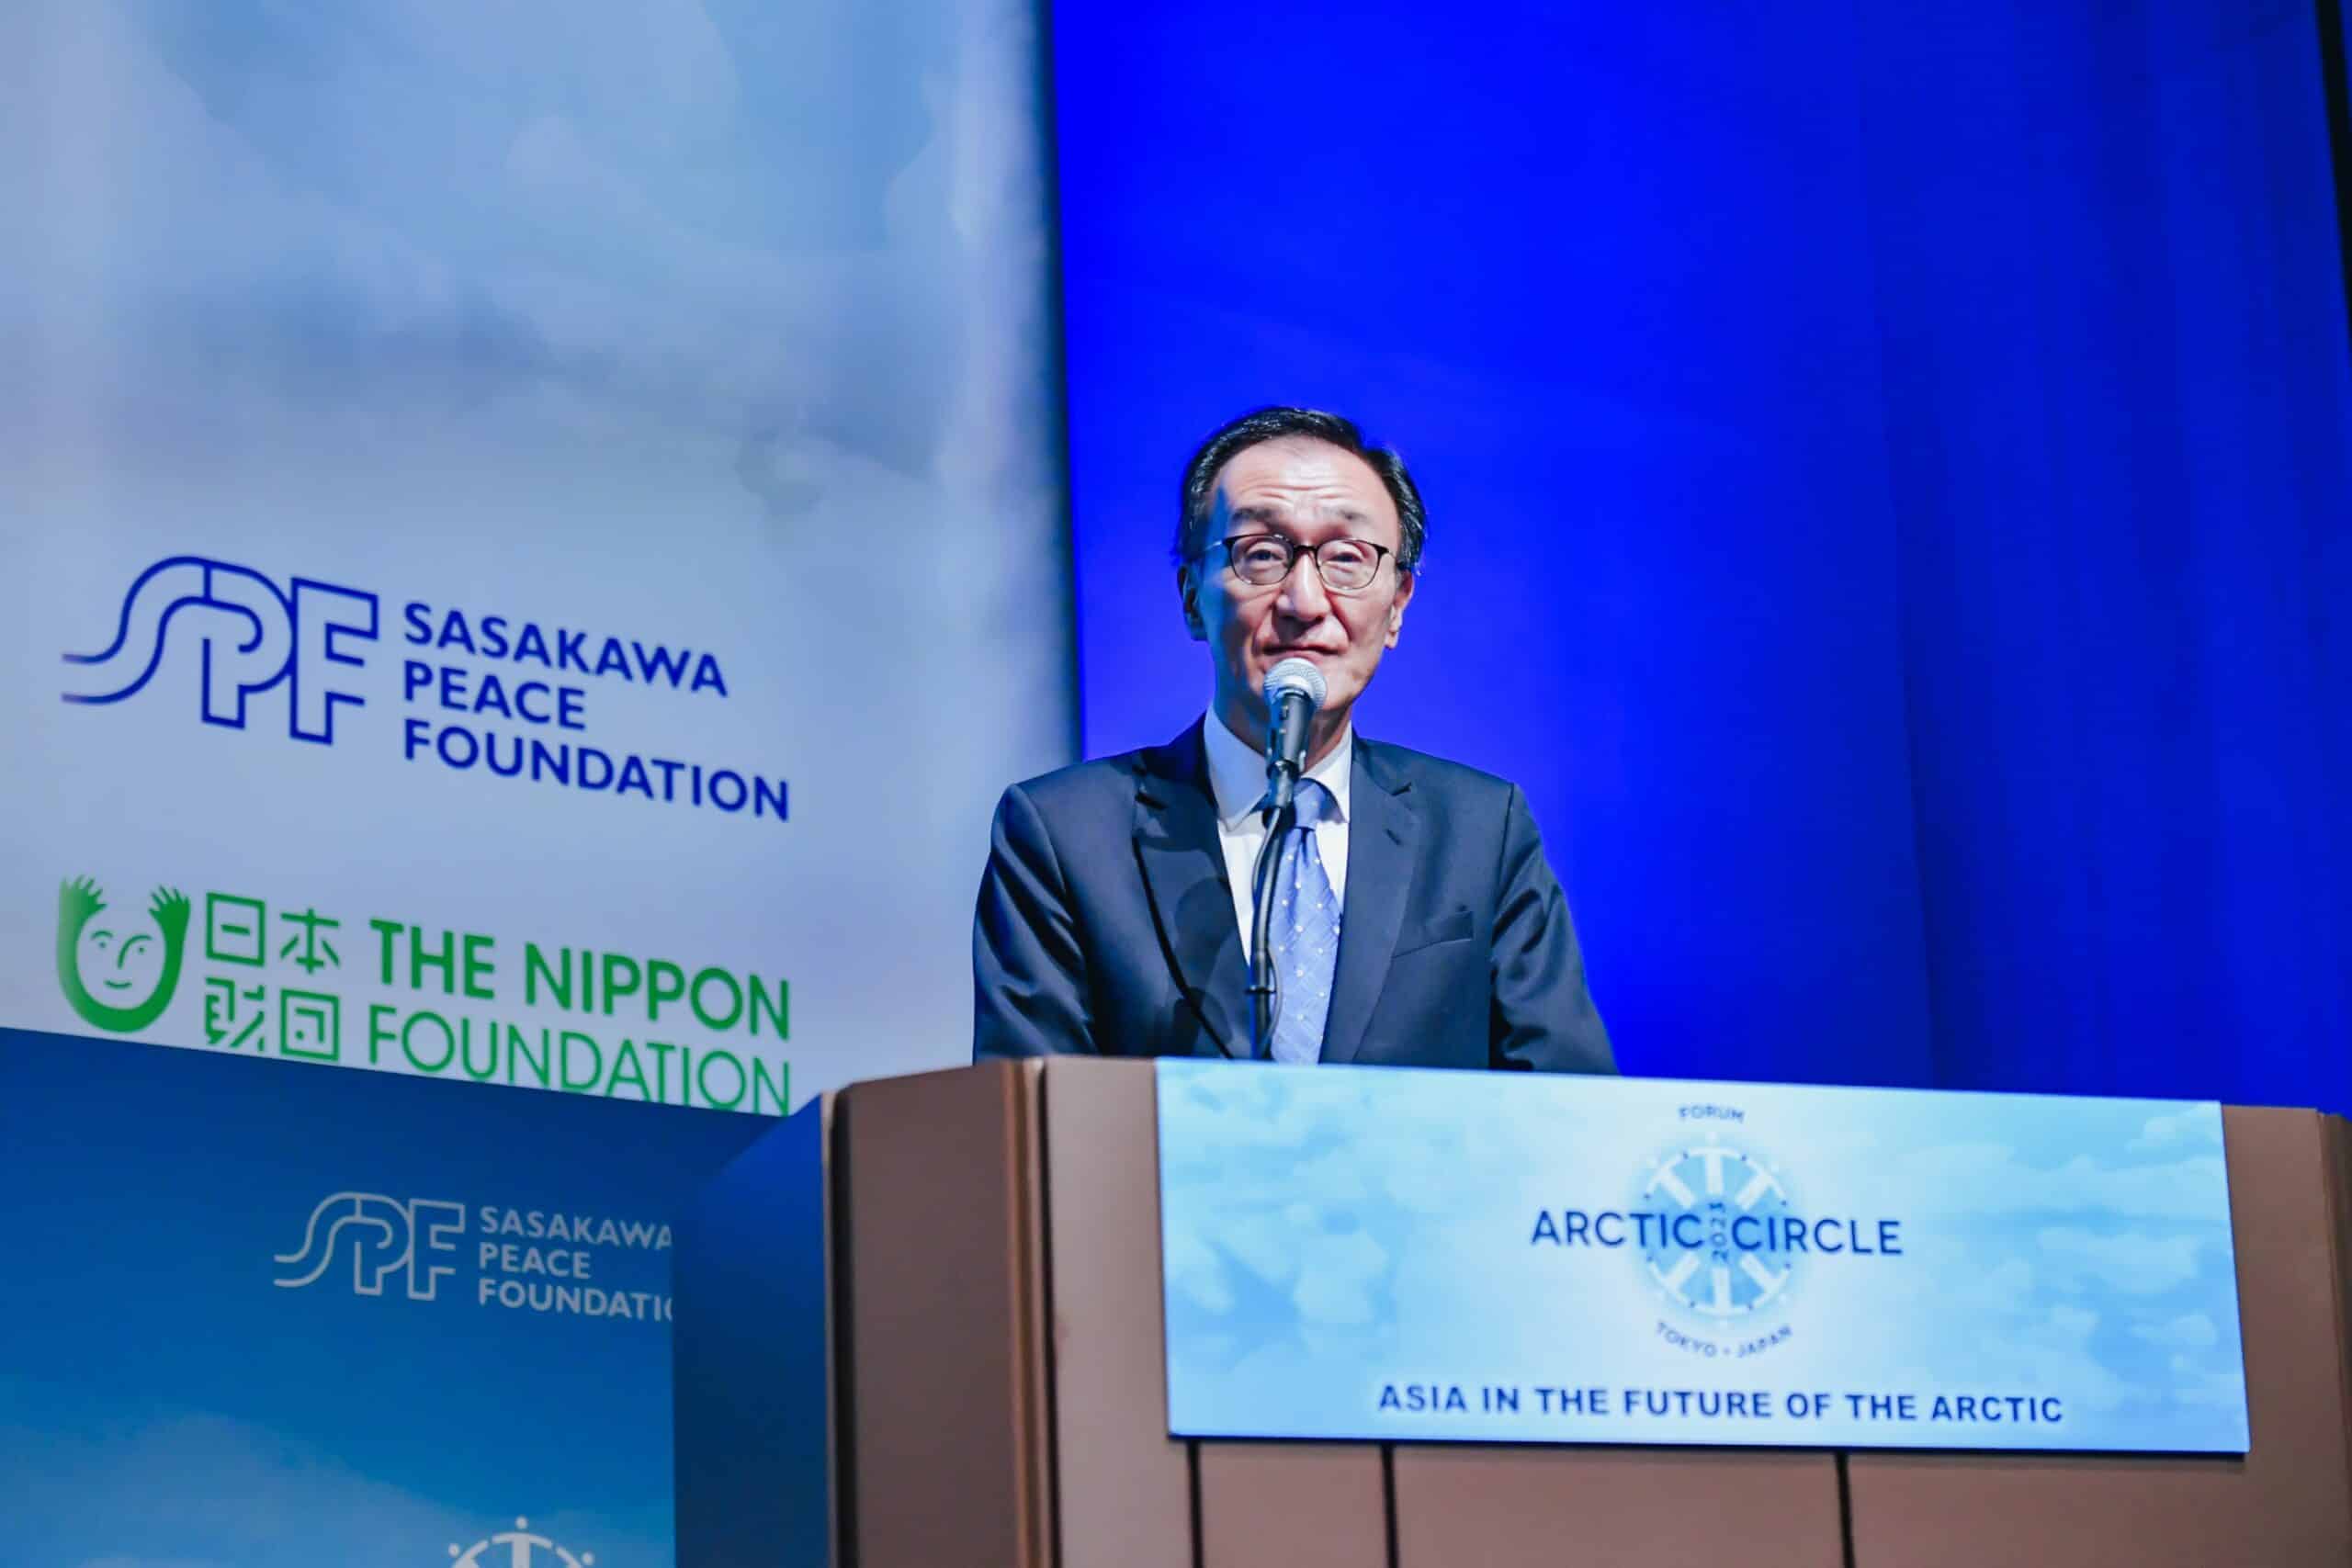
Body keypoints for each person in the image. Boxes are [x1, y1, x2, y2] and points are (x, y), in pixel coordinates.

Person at [972, 406, 1613, 1072]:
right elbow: (1031, 1125)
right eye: (1262, 555)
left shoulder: (1482, 831)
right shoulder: (1063, 834)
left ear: (1397, 606)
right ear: (1192, 597)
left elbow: (1570, 1111)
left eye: (1346, 557)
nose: (1304, 601)